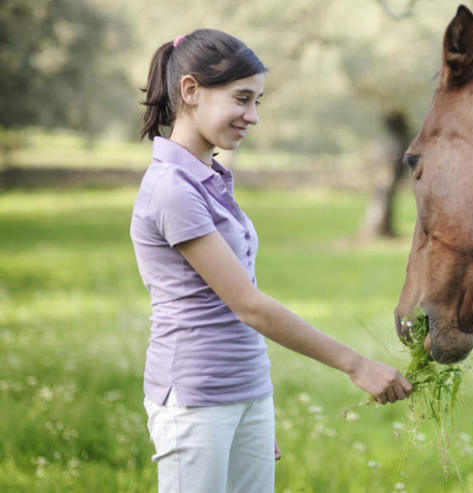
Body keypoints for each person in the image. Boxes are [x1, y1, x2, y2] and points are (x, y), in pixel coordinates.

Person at [130, 29, 412, 493]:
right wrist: (356, 365)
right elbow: (249, 305)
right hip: (196, 400)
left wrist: (250, 411)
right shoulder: (172, 189)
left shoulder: (209, 180)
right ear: (190, 91)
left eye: (257, 101)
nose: (253, 116)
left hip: (245, 392)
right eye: (242, 99)